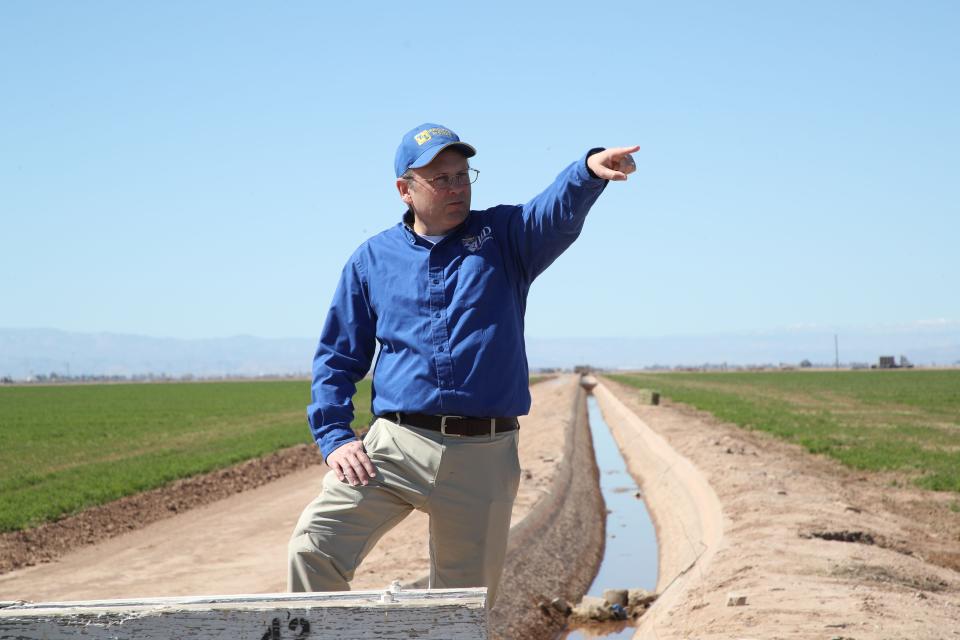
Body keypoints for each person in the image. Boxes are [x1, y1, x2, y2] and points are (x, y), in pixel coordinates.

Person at [288, 123, 637, 605]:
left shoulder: (505, 238)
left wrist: (586, 172)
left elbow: (552, 211)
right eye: (441, 179)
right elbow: (337, 357)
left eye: (462, 175)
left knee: (462, 607)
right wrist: (334, 437)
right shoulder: (372, 260)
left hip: (482, 455)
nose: (457, 188)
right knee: (313, 548)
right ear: (405, 190)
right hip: (395, 447)